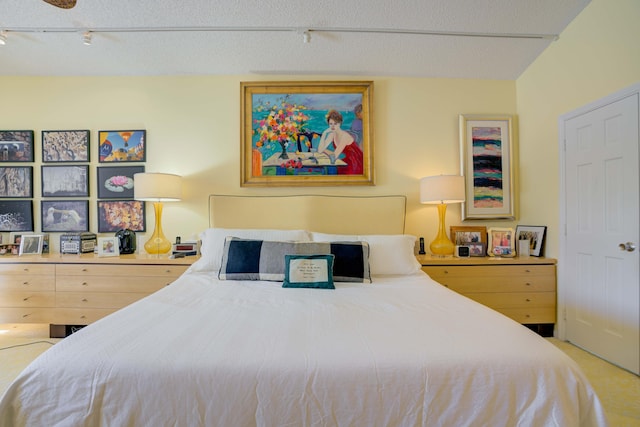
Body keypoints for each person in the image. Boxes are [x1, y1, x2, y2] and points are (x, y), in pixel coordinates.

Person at [318, 109, 363, 175]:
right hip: (344, 161)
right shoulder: (331, 134)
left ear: (340, 123)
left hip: (355, 162)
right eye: (331, 124)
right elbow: (319, 150)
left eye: (335, 123)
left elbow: (334, 156)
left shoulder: (344, 136)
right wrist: (324, 134)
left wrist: (324, 150)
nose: (333, 126)